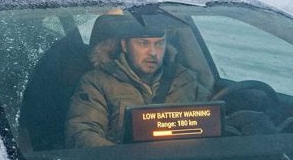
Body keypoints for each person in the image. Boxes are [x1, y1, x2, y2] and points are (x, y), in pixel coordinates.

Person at [65, 14, 211, 147]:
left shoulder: (185, 79)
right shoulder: (96, 82)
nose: (153, 53)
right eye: (143, 43)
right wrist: (123, 159)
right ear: (125, 45)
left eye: (159, 44)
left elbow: (216, 122)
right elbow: (82, 133)